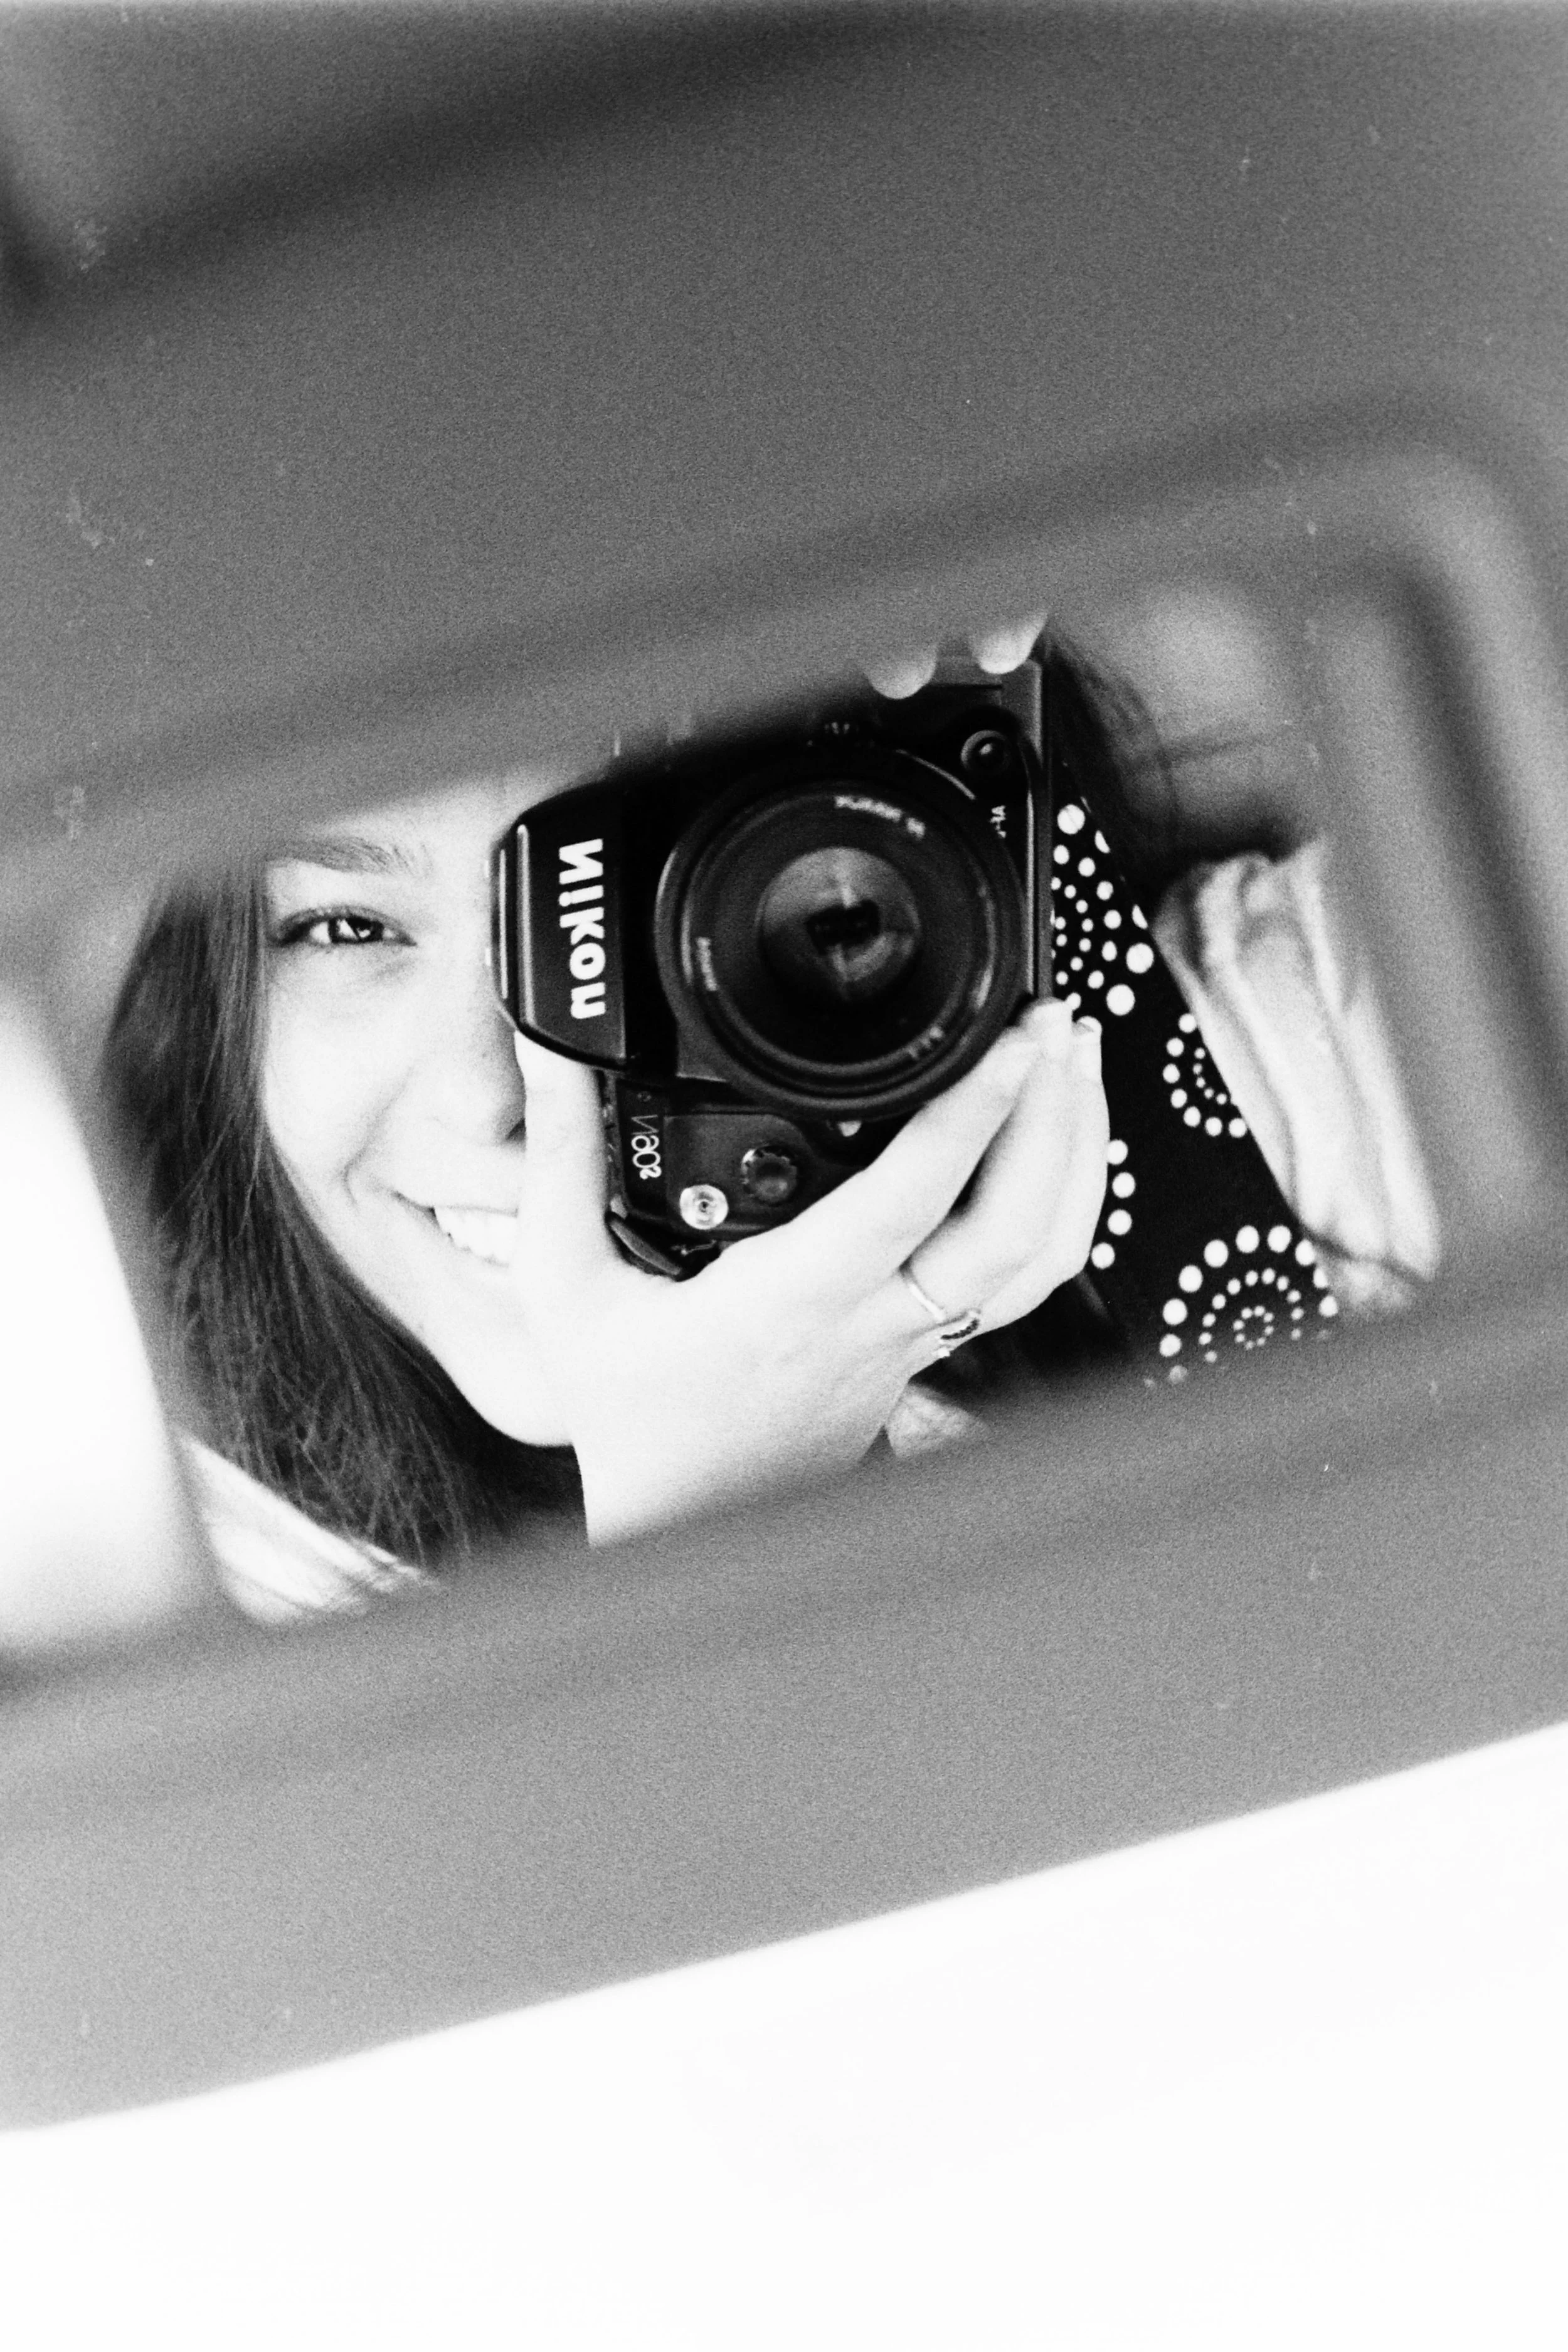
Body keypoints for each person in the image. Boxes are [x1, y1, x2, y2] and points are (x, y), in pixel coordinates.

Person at [103, 633, 1436, 1618]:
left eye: (614, 921)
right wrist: (711, 1513)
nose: (494, 1096)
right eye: (348, 927)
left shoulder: (1236, 1075)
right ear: (208, 1007)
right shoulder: (157, 1562)